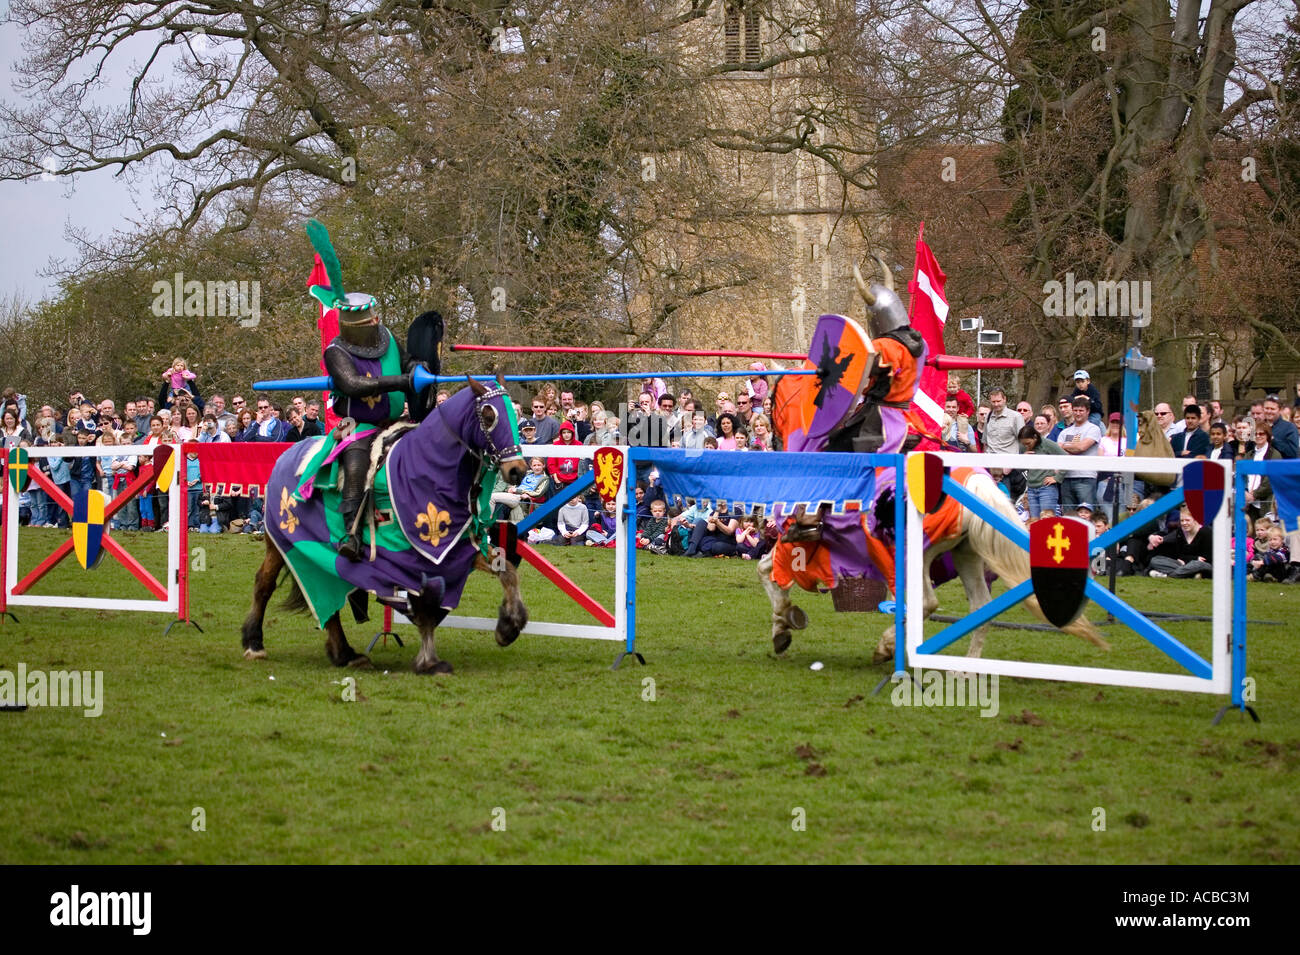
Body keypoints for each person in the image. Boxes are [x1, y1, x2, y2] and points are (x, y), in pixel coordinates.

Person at [1057, 394, 1102, 513]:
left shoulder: (1093, 429)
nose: (1078, 413)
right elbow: (1058, 452)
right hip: (1066, 478)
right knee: (1068, 515)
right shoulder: (1064, 432)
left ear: (1088, 411)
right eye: (1075, 410)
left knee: (1087, 514)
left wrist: (1064, 446)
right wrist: (1069, 448)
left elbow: (1082, 447)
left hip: (1086, 477)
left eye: (1081, 410)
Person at [1018, 423, 1066, 520]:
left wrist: (1057, 477)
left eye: (1028, 443)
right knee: (1034, 522)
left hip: (1046, 489)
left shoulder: (1047, 444)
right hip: (1031, 488)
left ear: (1035, 437)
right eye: (1023, 444)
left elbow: (1066, 457)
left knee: (1047, 521)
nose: (1026, 446)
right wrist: (1023, 458)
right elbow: (1020, 468)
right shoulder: (1023, 446)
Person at [1147, 508, 1213, 579]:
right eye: (1182, 521)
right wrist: (1193, 559)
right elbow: (1180, 555)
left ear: (1195, 520)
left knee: (1197, 564)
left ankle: (1167, 576)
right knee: (1156, 560)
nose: (1184, 523)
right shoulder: (1180, 532)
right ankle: (1190, 575)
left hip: (1204, 566)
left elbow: (1206, 559)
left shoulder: (1206, 532)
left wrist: (1189, 560)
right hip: (1184, 565)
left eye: (1187, 520)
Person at [983, 388, 1026, 498]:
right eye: (993, 402)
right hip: (989, 467)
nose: (996, 404)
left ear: (1004, 399)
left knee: (1005, 503)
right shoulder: (988, 416)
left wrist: (1013, 464)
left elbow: (1024, 442)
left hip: (1007, 469)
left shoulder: (1016, 417)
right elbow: (985, 443)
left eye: (998, 401)